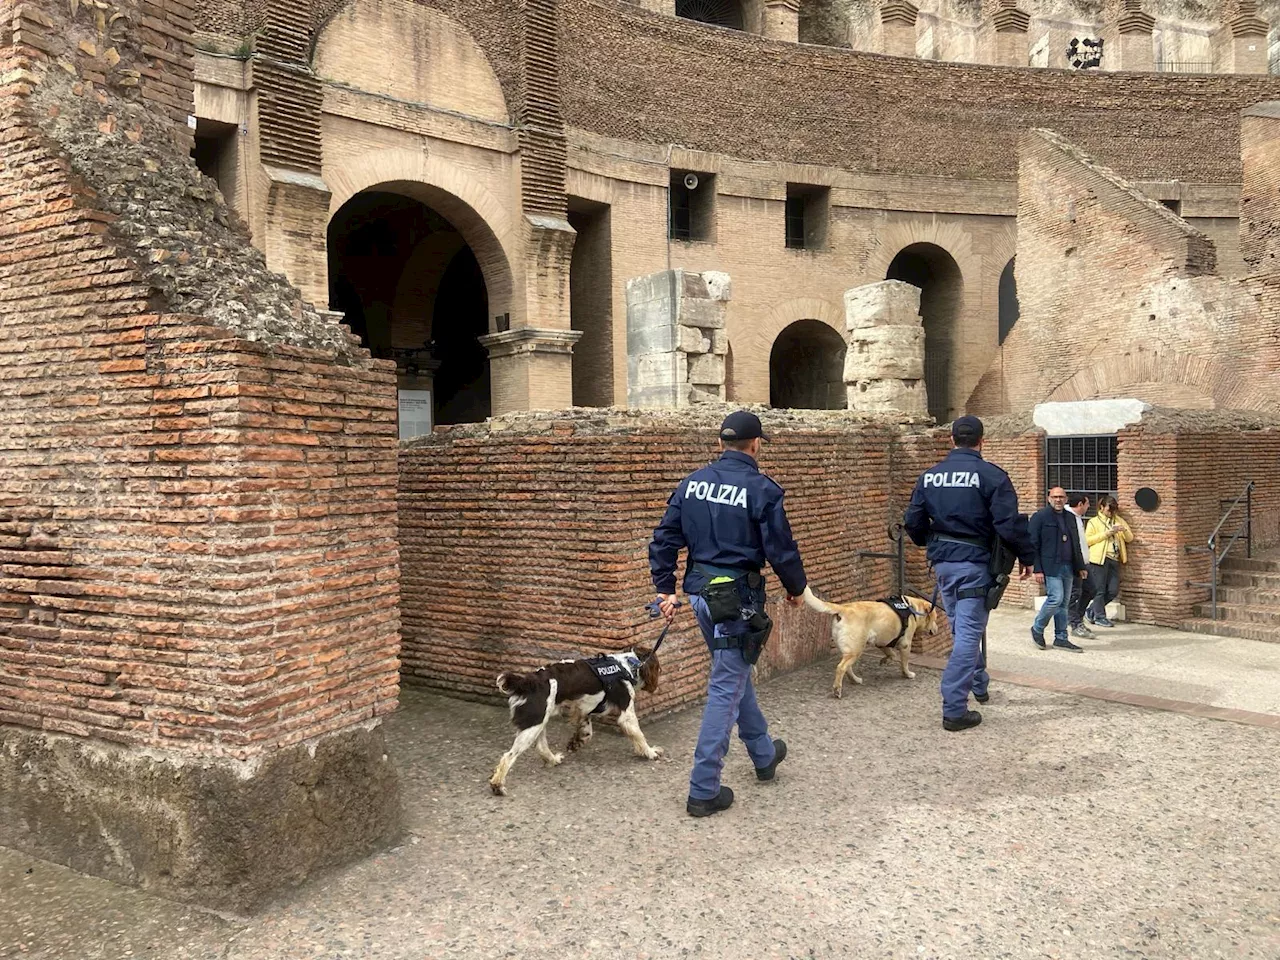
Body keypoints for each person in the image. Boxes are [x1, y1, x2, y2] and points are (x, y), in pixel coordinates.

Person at [649, 410, 806, 818]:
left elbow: (665, 537)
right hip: (737, 600)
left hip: (700, 593)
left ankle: (763, 753)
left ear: (721, 444)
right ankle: (703, 790)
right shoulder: (762, 488)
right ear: (755, 444)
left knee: (733, 672)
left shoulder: (692, 483)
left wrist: (664, 588)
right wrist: (795, 590)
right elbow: (781, 549)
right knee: (725, 685)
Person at [903, 415, 1034, 732]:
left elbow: (913, 521)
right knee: (968, 634)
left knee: (962, 627)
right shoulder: (992, 476)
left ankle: (979, 682)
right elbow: (1008, 524)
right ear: (981, 441)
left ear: (951, 440)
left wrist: (928, 542)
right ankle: (954, 709)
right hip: (975, 564)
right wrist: (1028, 556)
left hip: (944, 565)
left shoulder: (930, 477)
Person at [1028, 487, 1089, 652]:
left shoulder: (1070, 517)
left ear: (1066, 498)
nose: (1058, 500)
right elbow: (1033, 544)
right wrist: (1037, 569)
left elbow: (1075, 543)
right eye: (1055, 496)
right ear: (1049, 498)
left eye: (1061, 497)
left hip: (1068, 566)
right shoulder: (1040, 517)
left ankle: (1061, 638)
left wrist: (1080, 566)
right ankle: (1037, 628)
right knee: (1056, 598)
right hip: (1050, 566)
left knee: (1063, 603)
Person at [1085, 495, 1133, 627]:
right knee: (1099, 589)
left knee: (1113, 590)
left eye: (1113, 510)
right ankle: (1100, 616)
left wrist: (1123, 531)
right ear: (1101, 508)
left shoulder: (1118, 520)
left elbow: (1129, 538)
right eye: (1108, 510)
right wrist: (1107, 533)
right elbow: (1088, 540)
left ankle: (1091, 610)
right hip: (1099, 559)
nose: (1111, 513)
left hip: (1114, 558)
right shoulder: (1093, 522)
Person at [1065, 494, 1096, 639]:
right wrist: (1078, 564)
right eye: (1087, 504)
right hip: (1075, 563)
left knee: (1090, 590)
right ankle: (1075, 623)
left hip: (1084, 561)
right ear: (1080, 504)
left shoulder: (1077, 518)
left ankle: (1078, 618)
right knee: (1075, 594)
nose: (1088, 506)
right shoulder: (1066, 518)